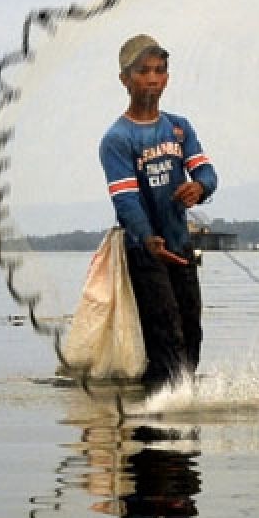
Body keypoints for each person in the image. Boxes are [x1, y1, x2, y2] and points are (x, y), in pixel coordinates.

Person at [100, 34, 218, 387]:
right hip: (146, 251)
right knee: (165, 333)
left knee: (191, 329)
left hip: (180, 247)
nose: (153, 79)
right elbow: (125, 199)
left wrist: (200, 187)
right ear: (125, 79)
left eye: (159, 71)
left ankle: (182, 413)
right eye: (143, 71)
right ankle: (156, 421)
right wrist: (147, 237)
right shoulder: (117, 139)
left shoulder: (179, 127)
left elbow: (207, 173)